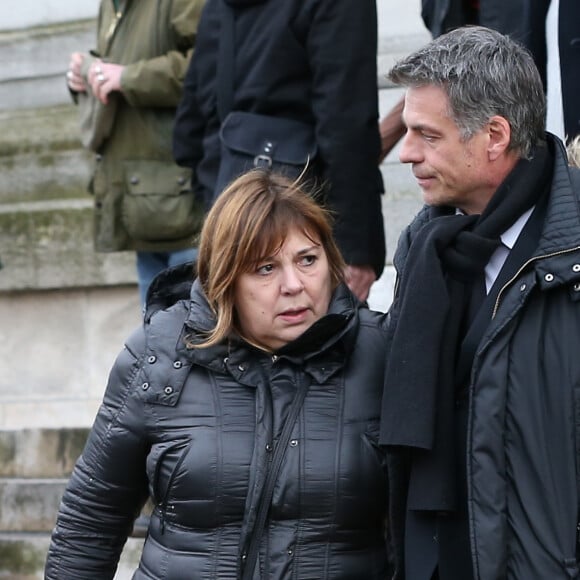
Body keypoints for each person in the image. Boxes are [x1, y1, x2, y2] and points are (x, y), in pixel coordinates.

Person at [44, 169, 391, 579]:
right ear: (225, 279)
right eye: (265, 268)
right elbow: (91, 519)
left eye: (307, 259)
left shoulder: (381, 352)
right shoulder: (158, 354)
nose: (294, 284)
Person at [379, 26, 580, 579]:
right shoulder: (427, 240)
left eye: (427, 134)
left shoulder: (572, 253)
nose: (406, 153)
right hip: (434, 551)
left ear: (494, 135)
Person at [172, 0, 386, 303]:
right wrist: (355, 249)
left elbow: (188, 134)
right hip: (310, 240)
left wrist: (219, 201)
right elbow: (347, 125)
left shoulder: (218, 7)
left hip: (230, 226)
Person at [66, 0, 206, 307]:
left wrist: (128, 77)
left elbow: (209, 63)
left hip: (182, 198)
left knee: (193, 336)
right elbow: (117, 65)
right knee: (156, 340)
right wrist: (84, 77)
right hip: (141, 197)